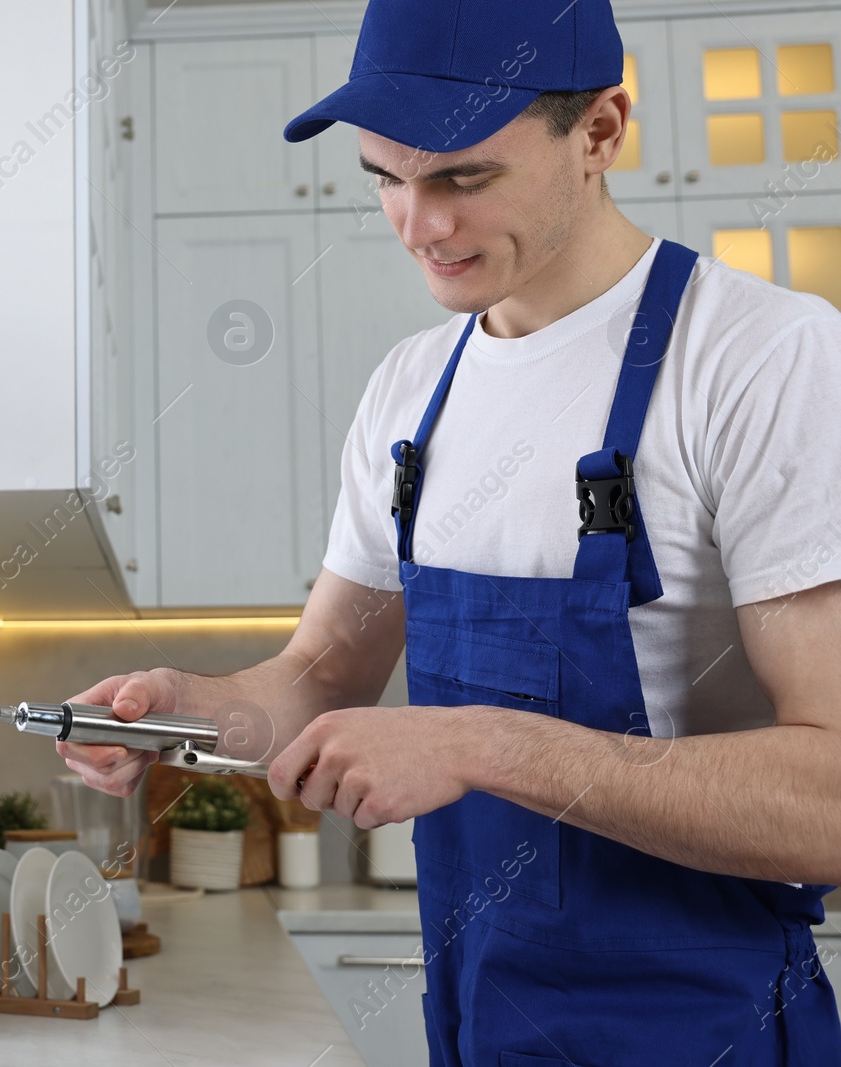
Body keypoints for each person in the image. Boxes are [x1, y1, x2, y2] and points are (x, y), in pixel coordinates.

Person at [58, 0, 841, 1062]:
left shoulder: (762, 359)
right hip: (475, 1017)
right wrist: (181, 712)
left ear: (601, 130)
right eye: (385, 177)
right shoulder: (412, 390)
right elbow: (322, 673)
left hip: (699, 1023)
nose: (418, 225)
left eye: (462, 178)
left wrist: (480, 742)